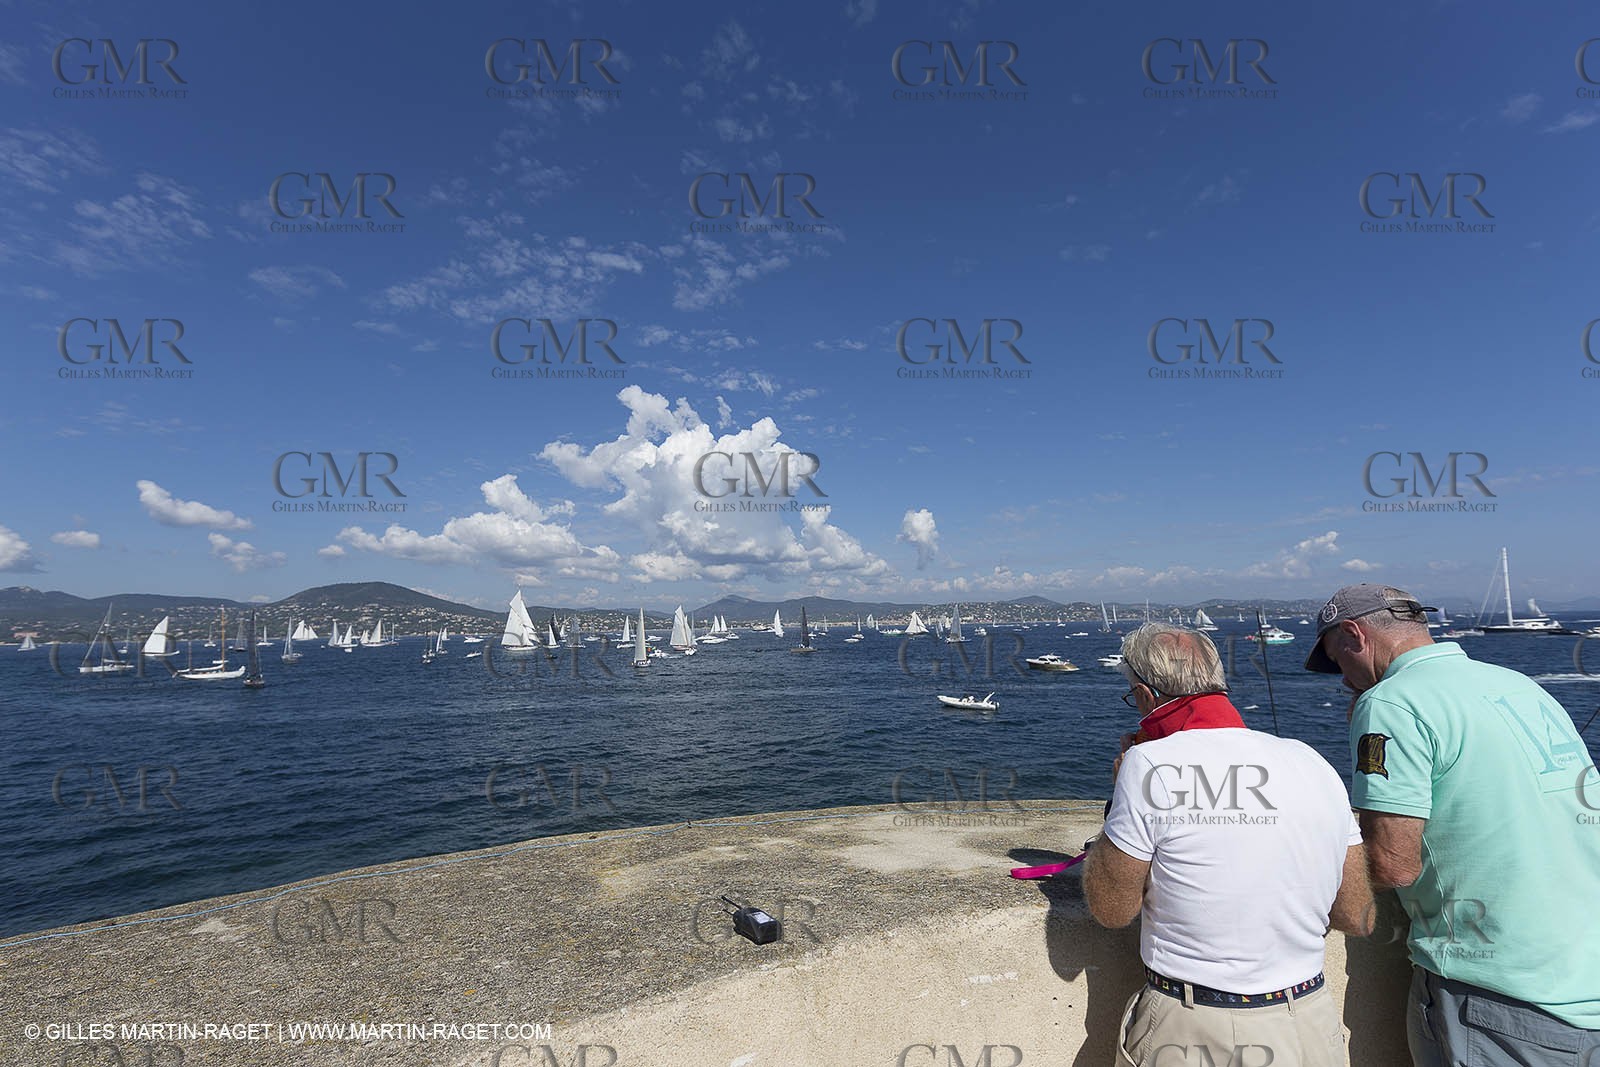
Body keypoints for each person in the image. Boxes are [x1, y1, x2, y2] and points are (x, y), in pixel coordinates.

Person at [1306, 583, 1600, 1065]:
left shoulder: (1389, 703)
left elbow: (1393, 864)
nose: (1343, 681)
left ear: (1355, 635)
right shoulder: (1517, 684)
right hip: (1581, 970)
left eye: (1338, 661)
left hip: (1496, 988)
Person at [1084, 622, 1373, 1066]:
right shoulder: (1311, 761)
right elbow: (1355, 916)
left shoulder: (1147, 763)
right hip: (1310, 1021)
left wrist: (1119, 802)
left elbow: (1111, 909)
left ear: (1144, 697)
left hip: (1198, 1026)